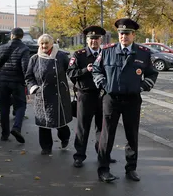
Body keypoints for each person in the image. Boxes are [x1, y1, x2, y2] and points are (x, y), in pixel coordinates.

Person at [93, 18, 159, 183]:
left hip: (132, 99)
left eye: (127, 33)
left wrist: (143, 86)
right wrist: (103, 83)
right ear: (118, 34)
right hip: (111, 98)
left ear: (133, 35)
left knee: (132, 135)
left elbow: (152, 73)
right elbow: (96, 69)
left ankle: (131, 169)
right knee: (107, 135)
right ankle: (103, 169)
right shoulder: (107, 51)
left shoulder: (143, 53)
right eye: (121, 33)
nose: (124, 36)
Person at [67, 26, 115, 168]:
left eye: (97, 39)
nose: (94, 41)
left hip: (103, 96)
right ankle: (79, 156)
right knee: (83, 127)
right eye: (91, 39)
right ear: (87, 40)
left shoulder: (107, 53)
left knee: (103, 127)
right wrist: (85, 70)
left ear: (101, 40)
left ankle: (102, 154)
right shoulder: (79, 54)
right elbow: (70, 73)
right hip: (86, 95)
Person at [25, 34, 72, 155]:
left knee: (60, 121)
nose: (44, 46)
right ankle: (46, 147)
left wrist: (75, 85)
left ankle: (64, 138)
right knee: (44, 123)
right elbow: (29, 76)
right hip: (42, 95)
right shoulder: (34, 59)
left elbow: (71, 71)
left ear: (51, 44)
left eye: (46, 43)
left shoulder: (61, 56)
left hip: (59, 94)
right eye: (42, 43)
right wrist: (34, 88)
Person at [0, 27, 29, 143]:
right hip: (17, 82)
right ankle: (16, 128)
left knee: (4, 107)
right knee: (21, 105)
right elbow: (25, 67)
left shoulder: (1, 48)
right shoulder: (24, 49)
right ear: (22, 36)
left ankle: (4, 134)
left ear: (11, 35)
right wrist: (26, 82)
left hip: (2, 81)